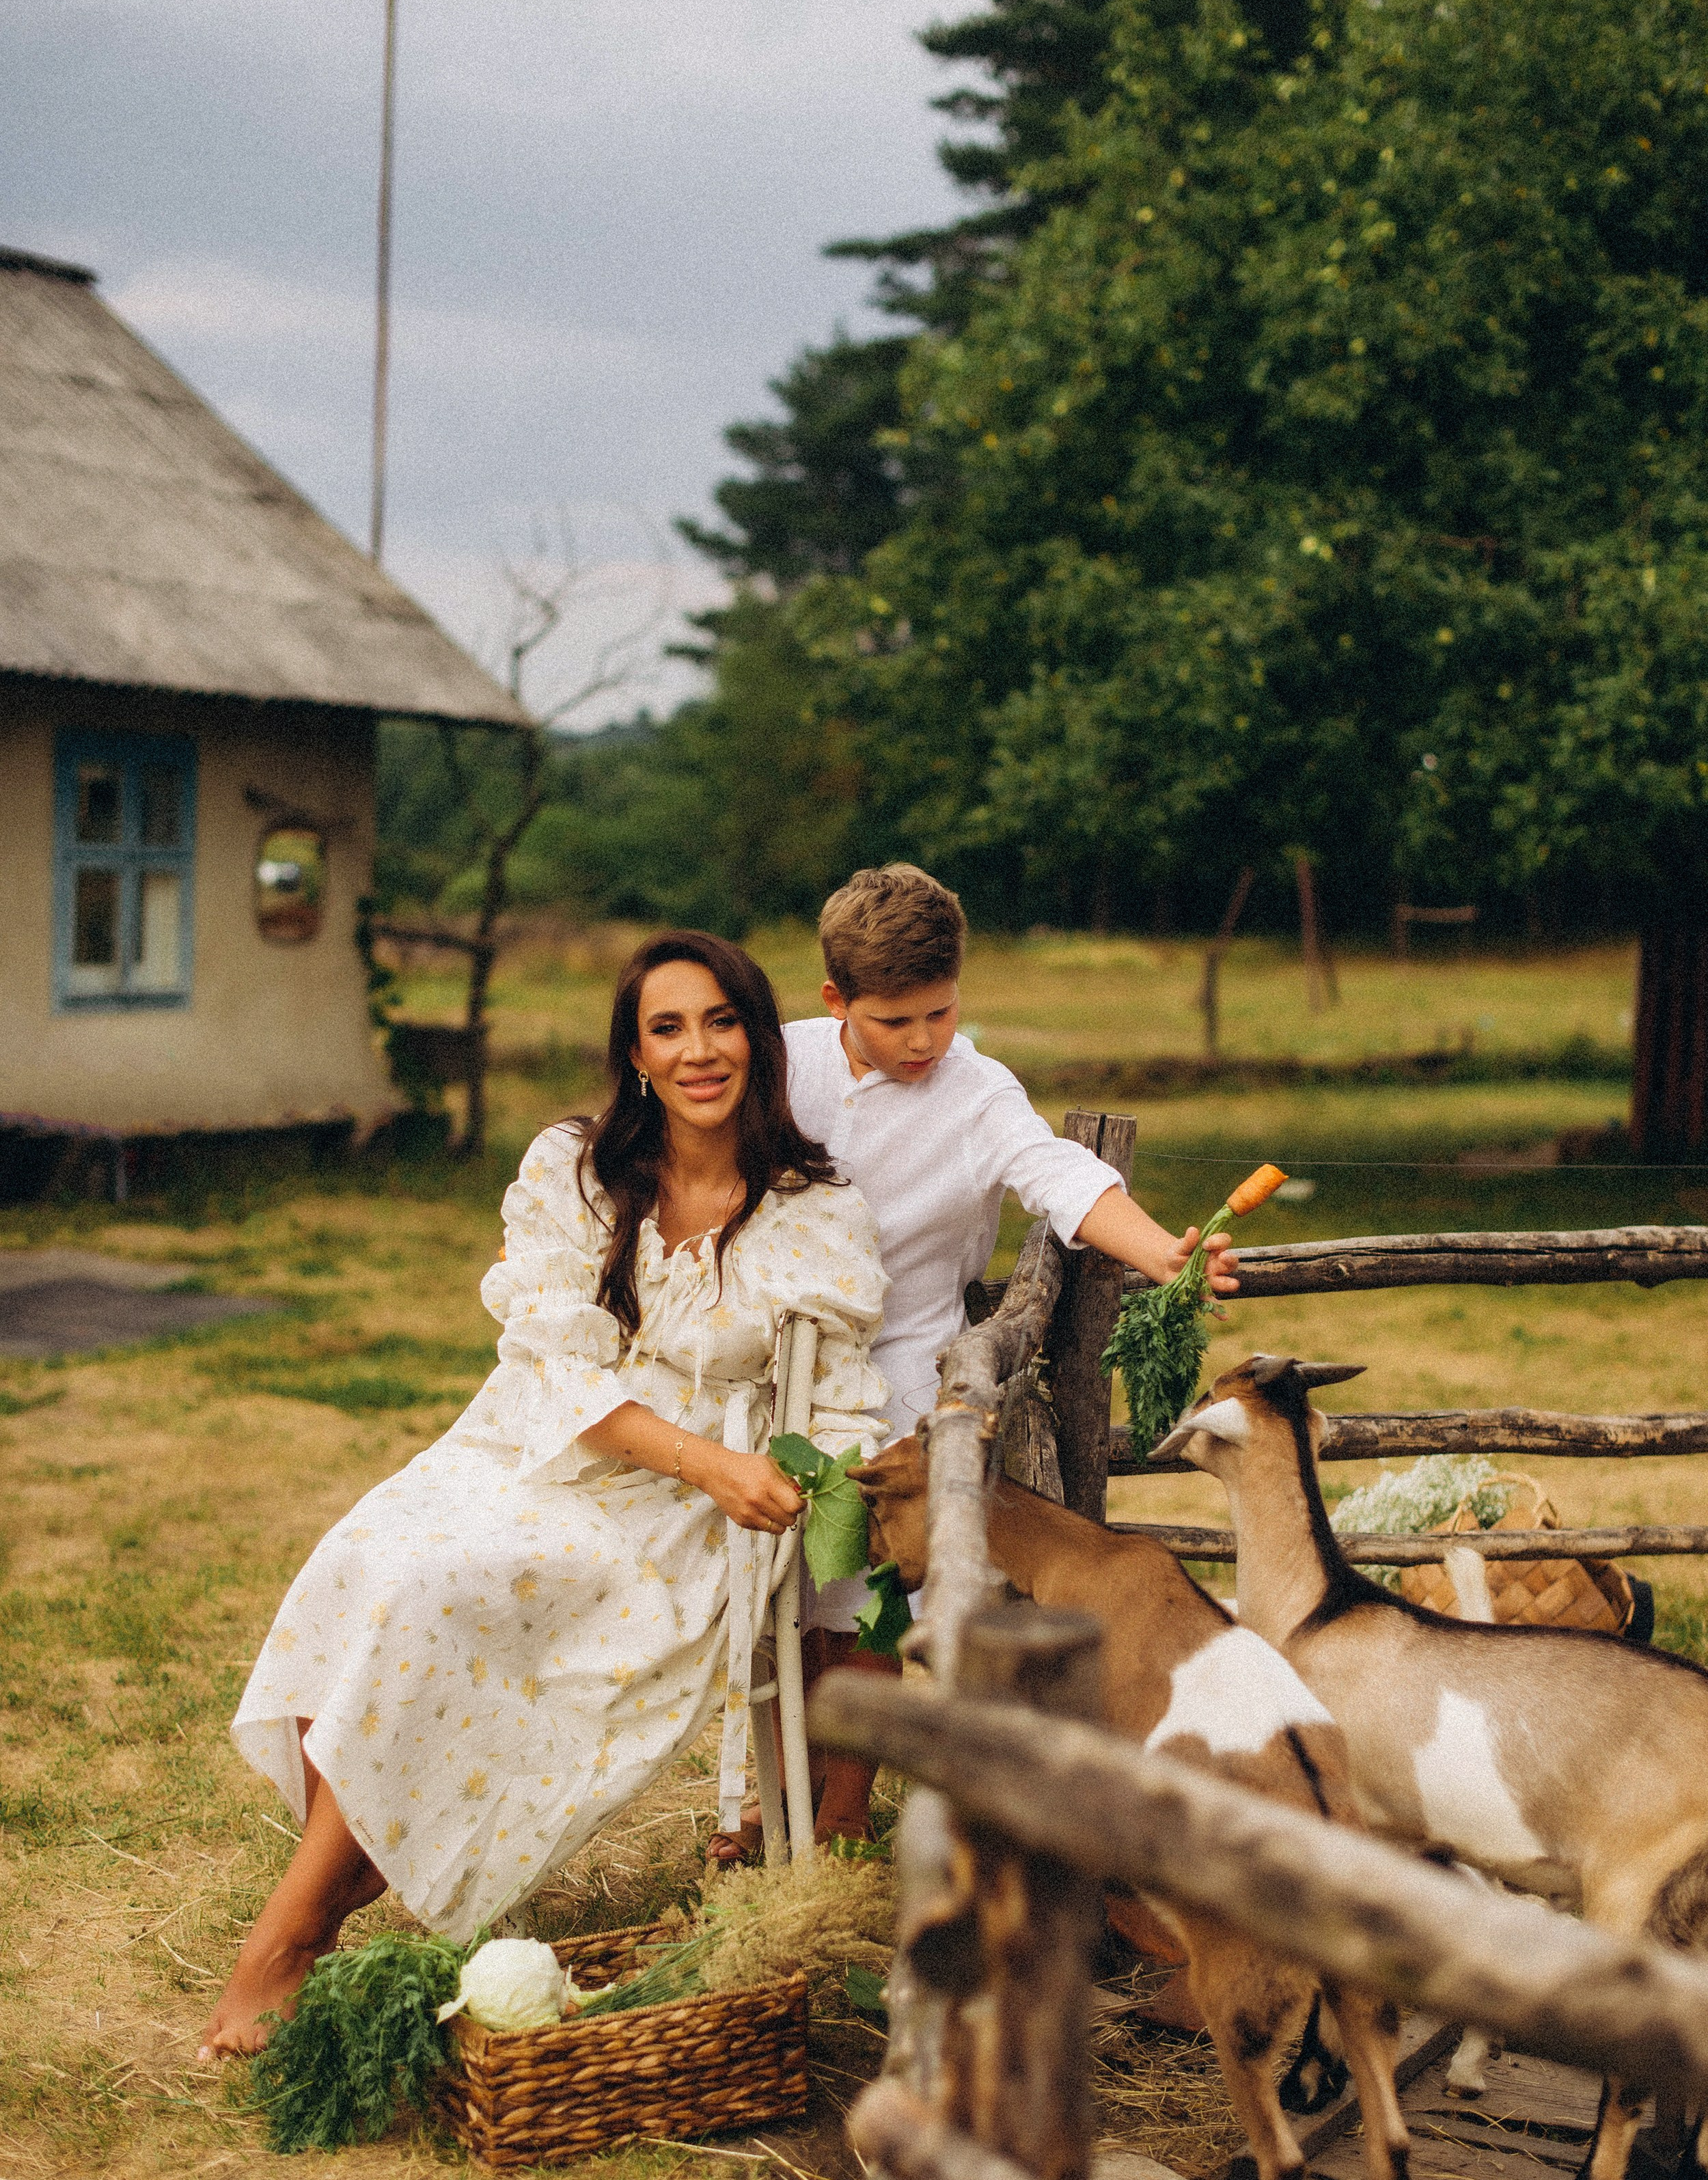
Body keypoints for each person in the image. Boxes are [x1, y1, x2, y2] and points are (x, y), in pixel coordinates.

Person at [199, 932, 887, 2059]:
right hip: (549, 1442)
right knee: (369, 1559)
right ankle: (339, 1883)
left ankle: (291, 1932)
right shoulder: (576, 1170)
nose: (698, 1049)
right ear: (635, 1054)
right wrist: (700, 1457)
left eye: (721, 1022)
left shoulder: (813, 1211)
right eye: (668, 1027)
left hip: (680, 1516)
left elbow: (840, 1403)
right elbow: (550, 1365)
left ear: (759, 1043)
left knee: (436, 1592)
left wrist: (797, 1482)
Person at [775, 861, 1241, 1850]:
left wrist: (1165, 1250)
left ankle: (847, 1808)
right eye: (896, 1021)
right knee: (773, 1586)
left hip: (904, 1358)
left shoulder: (978, 1091)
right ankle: (772, 1791)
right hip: (773, 1358)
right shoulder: (782, 1062)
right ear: (835, 1001)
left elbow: (1059, 1174)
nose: (925, 1040)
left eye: (941, 1013)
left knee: (866, 1580)